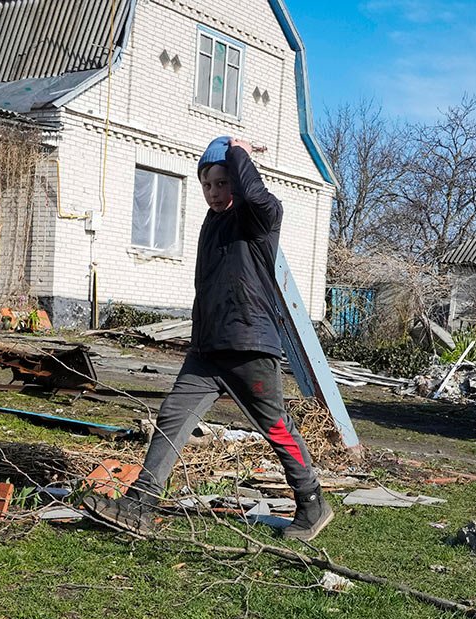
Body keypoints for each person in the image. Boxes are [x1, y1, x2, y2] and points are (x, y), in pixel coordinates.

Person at [83, 136, 333, 541]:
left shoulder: (259, 217)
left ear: (237, 179)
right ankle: (141, 505)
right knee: (172, 417)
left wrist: (239, 153)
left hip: (250, 347)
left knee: (275, 426)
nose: (215, 193)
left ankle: (312, 502)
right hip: (207, 349)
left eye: (222, 183)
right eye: (207, 185)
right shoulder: (212, 222)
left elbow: (256, 195)